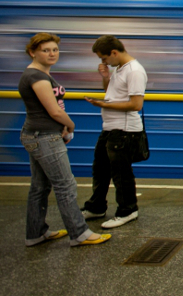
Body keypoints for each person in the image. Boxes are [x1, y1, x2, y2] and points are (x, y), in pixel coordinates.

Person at [19, 32, 111, 247]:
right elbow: (54, 111)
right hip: (44, 137)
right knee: (65, 185)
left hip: (39, 134)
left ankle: (36, 233)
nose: (52, 53)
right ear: (32, 52)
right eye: (45, 50)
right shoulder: (37, 77)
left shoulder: (39, 74)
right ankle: (79, 233)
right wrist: (70, 124)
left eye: (55, 50)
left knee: (40, 187)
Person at [80, 35, 147, 229]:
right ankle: (96, 207)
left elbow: (136, 105)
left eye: (104, 58)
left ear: (114, 53)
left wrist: (103, 104)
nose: (103, 62)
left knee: (121, 173)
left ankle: (128, 210)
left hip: (124, 131)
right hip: (110, 128)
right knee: (100, 169)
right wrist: (106, 78)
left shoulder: (134, 71)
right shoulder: (119, 68)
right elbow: (112, 93)